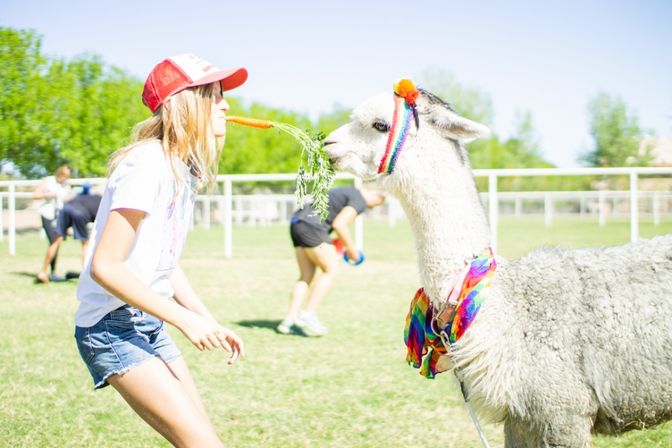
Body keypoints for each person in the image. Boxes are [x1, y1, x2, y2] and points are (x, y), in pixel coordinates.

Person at [73, 53, 247, 447]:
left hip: (146, 322)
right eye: (214, 94)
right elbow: (105, 266)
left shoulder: (180, 168)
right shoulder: (146, 164)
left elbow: (164, 264)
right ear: (182, 103)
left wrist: (207, 318)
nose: (226, 104)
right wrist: (185, 321)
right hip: (109, 329)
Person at [278, 185, 385, 336]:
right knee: (331, 271)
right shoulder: (359, 199)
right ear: (372, 192)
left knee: (305, 276)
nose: (371, 207)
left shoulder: (344, 190)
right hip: (313, 227)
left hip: (297, 223)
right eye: (376, 203)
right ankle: (308, 314)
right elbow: (339, 225)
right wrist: (353, 251)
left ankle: (289, 321)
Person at [35, 185, 102, 283]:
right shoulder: (102, 201)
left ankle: (42, 272)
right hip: (80, 213)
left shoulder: (82, 196)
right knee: (85, 244)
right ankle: (86, 277)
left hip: (65, 208)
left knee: (56, 241)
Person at [32, 165, 73, 280]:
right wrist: (47, 195)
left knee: (56, 243)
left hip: (59, 216)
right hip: (47, 214)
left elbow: (67, 202)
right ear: (59, 173)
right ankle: (44, 272)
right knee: (54, 242)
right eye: (64, 175)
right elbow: (34, 195)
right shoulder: (48, 181)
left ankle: (52, 272)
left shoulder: (66, 186)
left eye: (67, 177)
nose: (65, 178)